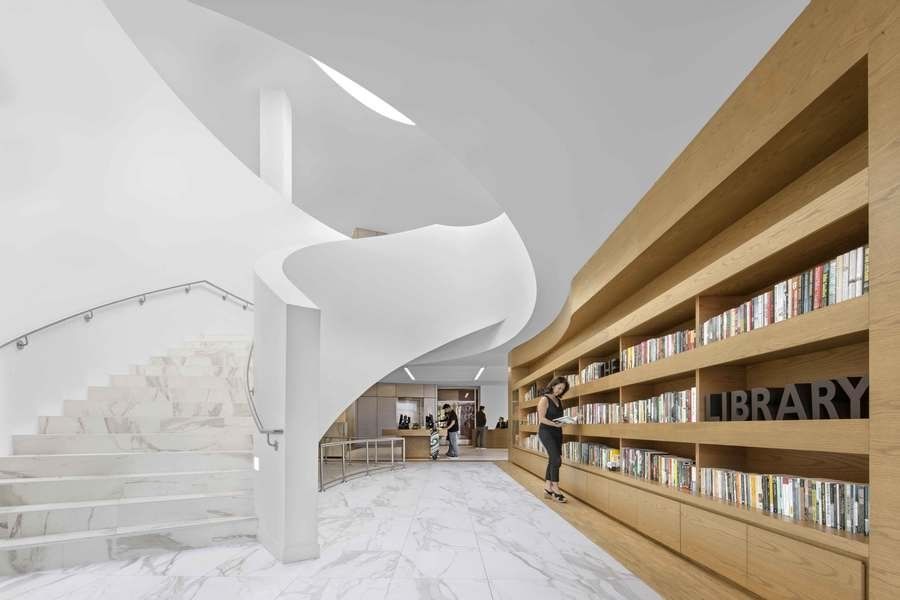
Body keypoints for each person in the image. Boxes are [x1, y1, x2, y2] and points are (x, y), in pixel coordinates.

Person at [538, 375, 570, 502]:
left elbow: (557, 418)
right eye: (559, 387)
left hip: (557, 432)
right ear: (553, 385)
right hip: (546, 432)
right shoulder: (544, 400)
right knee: (556, 459)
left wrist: (566, 420)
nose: (560, 391)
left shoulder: (559, 401)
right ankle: (555, 488)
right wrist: (555, 424)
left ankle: (547, 488)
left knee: (553, 459)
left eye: (562, 389)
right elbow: (542, 419)